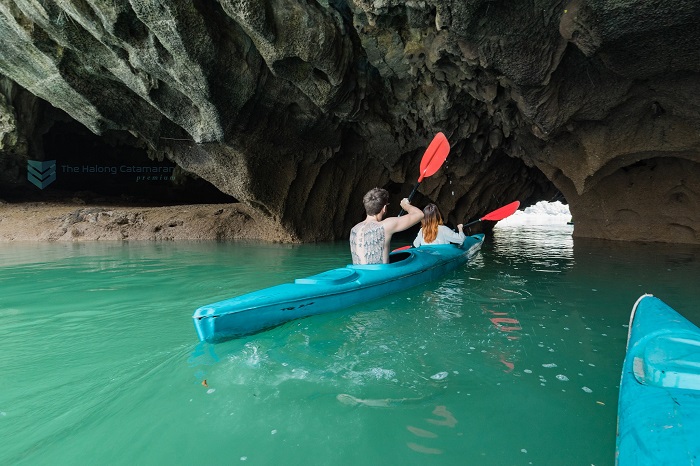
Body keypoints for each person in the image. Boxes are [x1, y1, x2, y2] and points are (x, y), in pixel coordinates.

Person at [350, 187, 424, 265]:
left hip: (358, 272)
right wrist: (406, 205)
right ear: (384, 208)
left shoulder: (354, 229)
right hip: (380, 274)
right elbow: (420, 214)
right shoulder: (386, 225)